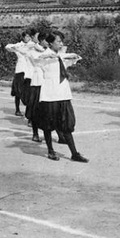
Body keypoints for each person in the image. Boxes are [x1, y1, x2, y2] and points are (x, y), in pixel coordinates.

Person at [33, 31, 88, 162]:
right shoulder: (44, 56)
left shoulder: (61, 56)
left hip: (63, 94)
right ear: (50, 43)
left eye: (61, 41)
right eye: (58, 41)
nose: (61, 44)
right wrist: (50, 55)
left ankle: (74, 153)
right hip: (49, 94)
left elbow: (74, 58)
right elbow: (36, 60)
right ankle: (50, 150)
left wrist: (72, 56)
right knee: (48, 124)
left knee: (66, 124)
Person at [6, 30, 34, 117]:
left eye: (29, 37)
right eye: (26, 37)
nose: (28, 38)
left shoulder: (32, 45)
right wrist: (17, 48)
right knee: (18, 91)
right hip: (20, 69)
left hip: (29, 70)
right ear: (23, 37)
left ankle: (28, 112)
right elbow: (8, 47)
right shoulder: (19, 45)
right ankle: (17, 109)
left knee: (28, 91)